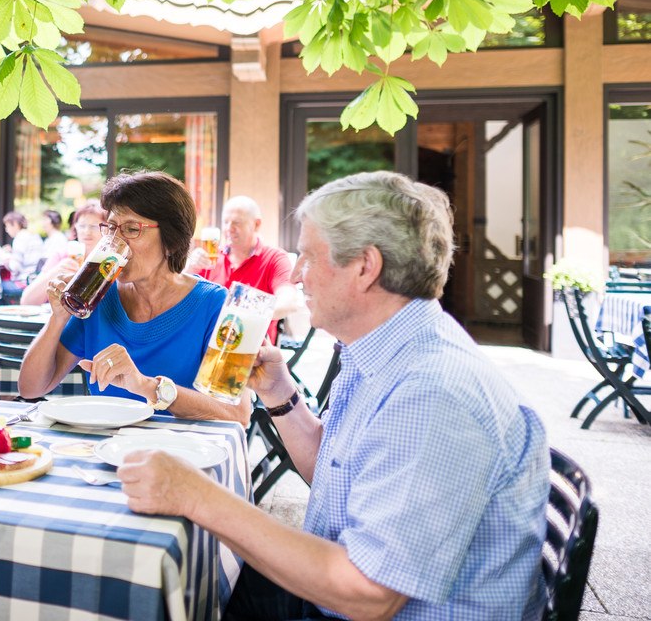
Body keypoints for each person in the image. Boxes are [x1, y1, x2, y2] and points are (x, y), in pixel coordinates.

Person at [118, 171, 550, 620]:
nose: (297, 275)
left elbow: (367, 594)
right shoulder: (385, 349)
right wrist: (278, 392)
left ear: (365, 266)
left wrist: (197, 496)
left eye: (307, 256)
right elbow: (336, 471)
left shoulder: (432, 392)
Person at [19, 171, 241, 422]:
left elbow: (236, 414)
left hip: (181, 455)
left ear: (172, 241)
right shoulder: (97, 298)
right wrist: (57, 319)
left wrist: (146, 386)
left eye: (132, 229)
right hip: (102, 450)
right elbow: (31, 388)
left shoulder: (216, 305)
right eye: (111, 228)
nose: (116, 242)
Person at [185, 195, 303, 342]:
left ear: (257, 224)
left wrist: (246, 315)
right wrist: (189, 270)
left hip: (251, 348)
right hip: (208, 344)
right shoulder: (209, 259)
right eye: (226, 222)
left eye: (237, 223)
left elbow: (289, 302)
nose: (229, 229)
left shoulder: (274, 258)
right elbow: (180, 300)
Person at [20, 200, 106, 305]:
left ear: (106, 229)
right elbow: (27, 301)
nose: (87, 231)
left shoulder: (110, 262)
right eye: (82, 226)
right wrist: (55, 272)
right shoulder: (63, 256)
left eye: (94, 226)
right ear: (76, 228)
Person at [0, 210, 43, 300]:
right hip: (35, 280)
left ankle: (2, 312)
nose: (6, 230)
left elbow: (15, 267)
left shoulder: (20, 238)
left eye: (7, 226)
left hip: (24, 282)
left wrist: (5, 260)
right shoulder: (33, 235)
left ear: (15, 224)